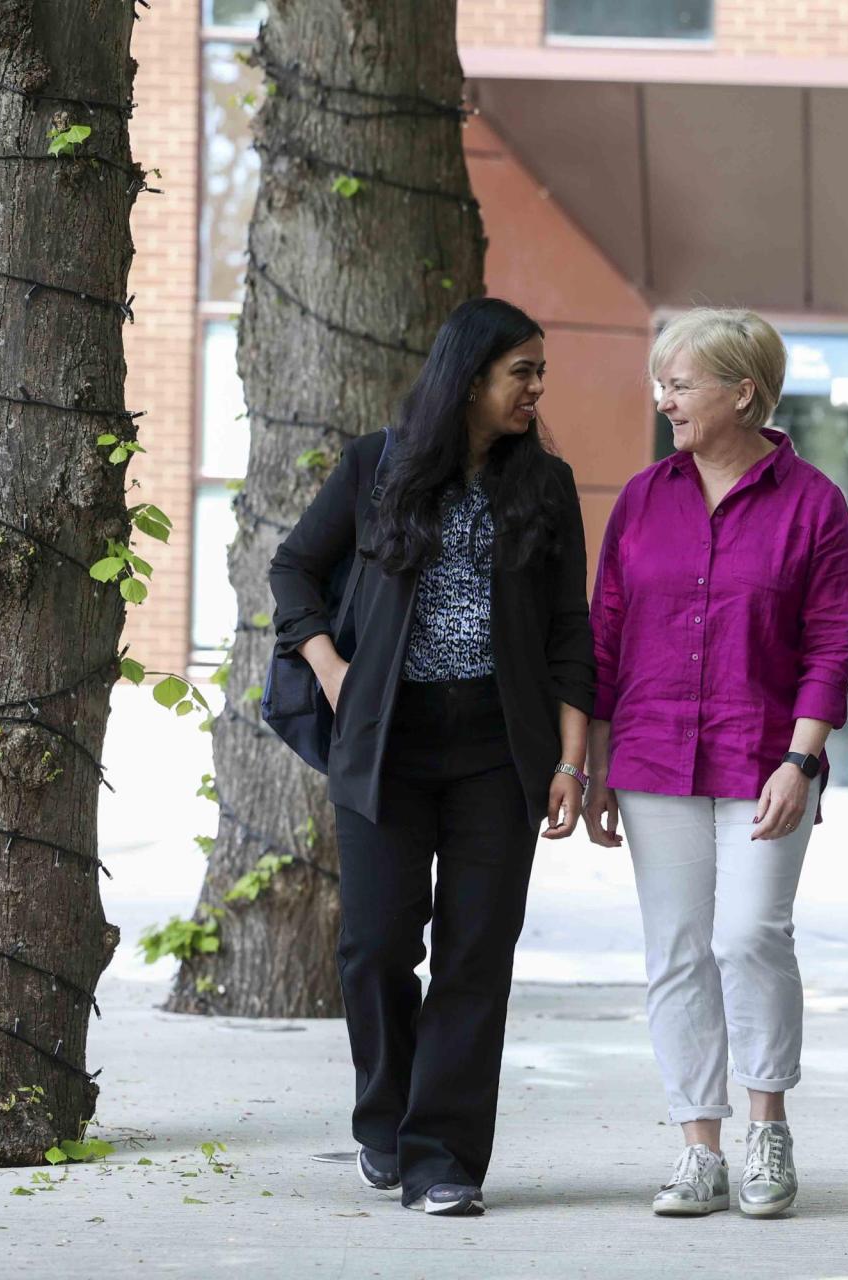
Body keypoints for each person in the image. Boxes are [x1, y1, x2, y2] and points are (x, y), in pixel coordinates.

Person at [269, 297, 594, 1217]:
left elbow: (571, 631)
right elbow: (293, 567)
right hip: (387, 742)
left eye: (540, 371)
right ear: (470, 376)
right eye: (520, 371)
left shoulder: (547, 486)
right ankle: (388, 1120)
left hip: (500, 748)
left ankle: (444, 1157)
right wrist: (333, 671)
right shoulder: (377, 467)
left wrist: (571, 765)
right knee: (375, 946)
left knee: (475, 954)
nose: (537, 388)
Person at [583, 307, 848, 1219]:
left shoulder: (814, 501)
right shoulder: (642, 498)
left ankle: (767, 1126)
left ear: (743, 392)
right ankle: (698, 1148)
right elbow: (606, 635)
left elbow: (829, 641)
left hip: (766, 758)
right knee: (676, 951)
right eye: (661, 384)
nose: (665, 400)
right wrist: (590, 761)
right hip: (654, 754)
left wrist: (801, 758)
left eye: (682, 384)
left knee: (748, 935)